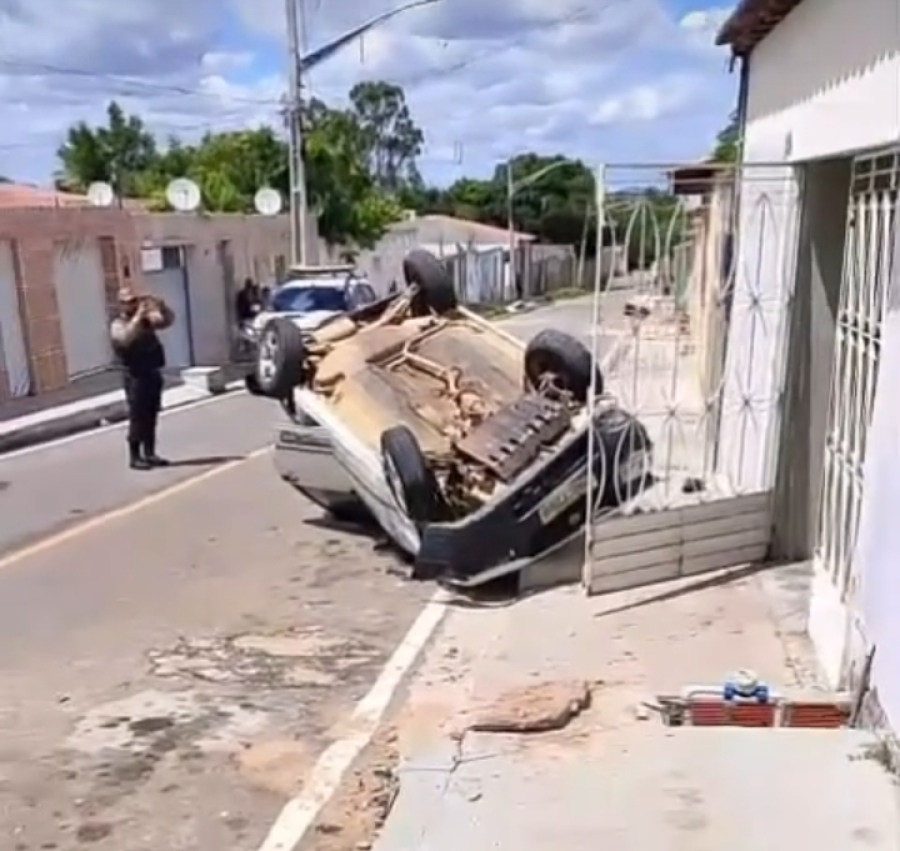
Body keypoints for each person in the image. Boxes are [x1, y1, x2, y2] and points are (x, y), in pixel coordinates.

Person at [109, 288, 175, 470]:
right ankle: (135, 456)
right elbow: (125, 339)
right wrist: (137, 317)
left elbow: (166, 321)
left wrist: (161, 306)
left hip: (152, 372)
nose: (133, 304)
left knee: (151, 415)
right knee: (138, 416)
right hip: (135, 375)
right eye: (129, 301)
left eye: (135, 300)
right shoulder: (118, 323)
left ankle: (150, 453)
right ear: (121, 304)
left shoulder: (146, 320)